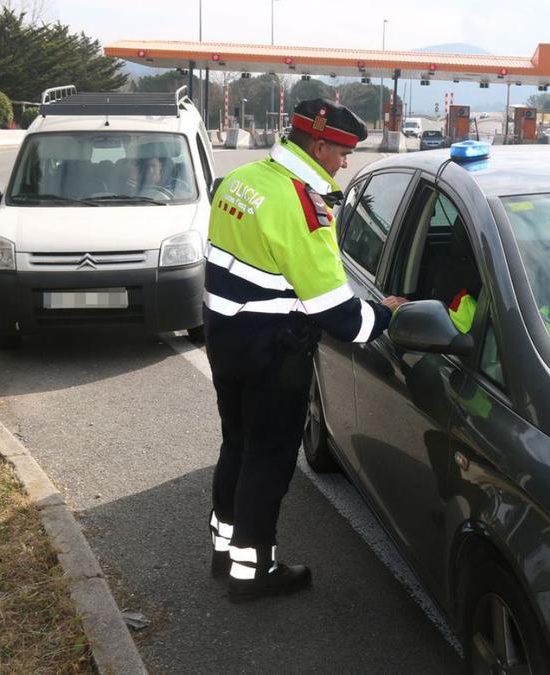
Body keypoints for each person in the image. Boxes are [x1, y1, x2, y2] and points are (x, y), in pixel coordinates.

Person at [204, 98, 408, 602]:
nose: (345, 163)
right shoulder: (302, 208)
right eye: (343, 152)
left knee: (237, 446)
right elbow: (344, 319)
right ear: (317, 145)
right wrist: (388, 312)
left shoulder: (244, 181)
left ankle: (225, 551)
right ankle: (253, 575)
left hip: (225, 340)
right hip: (272, 354)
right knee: (269, 460)